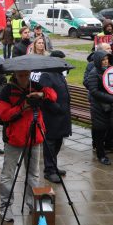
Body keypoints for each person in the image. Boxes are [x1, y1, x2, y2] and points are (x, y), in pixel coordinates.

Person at [0, 70, 57, 222]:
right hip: (14, 139)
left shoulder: (36, 85)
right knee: (8, 174)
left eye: (26, 75)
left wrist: (41, 95)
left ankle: (33, 204)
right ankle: (5, 207)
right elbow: (4, 115)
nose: (24, 78)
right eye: (21, 75)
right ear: (15, 75)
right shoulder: (7, 90)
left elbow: (53, 95)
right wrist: (23, 106)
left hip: (34, 137)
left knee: (33, 174)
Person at [39, 50, 71, 182]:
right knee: (50, 143)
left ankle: (54, 166)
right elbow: (45, 97)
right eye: (61, 60)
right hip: (52, 116)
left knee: (58, 142)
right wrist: (57, 108)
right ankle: (49, 170)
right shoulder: (46, 75)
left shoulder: (59, 74)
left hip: (62, 116)